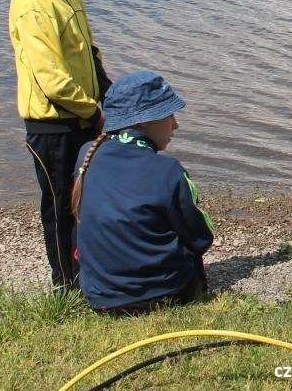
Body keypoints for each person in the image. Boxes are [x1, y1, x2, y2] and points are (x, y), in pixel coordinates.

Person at [8, 0, 111, 288]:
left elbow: (86, 49)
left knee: (82, 202)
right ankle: (65, 285)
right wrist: (94, 112)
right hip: (53, 126)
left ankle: (88, 273)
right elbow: (51, 78)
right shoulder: (33, 0)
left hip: (80, 116)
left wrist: (107, 90)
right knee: (59, 207)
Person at [71, 70, 214, 313]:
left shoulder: (87, 154)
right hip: (161, 295)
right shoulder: (168, 170)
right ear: (144, 120)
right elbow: (201, 238)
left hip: (100, 296)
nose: (176, 125)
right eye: (169, 115)